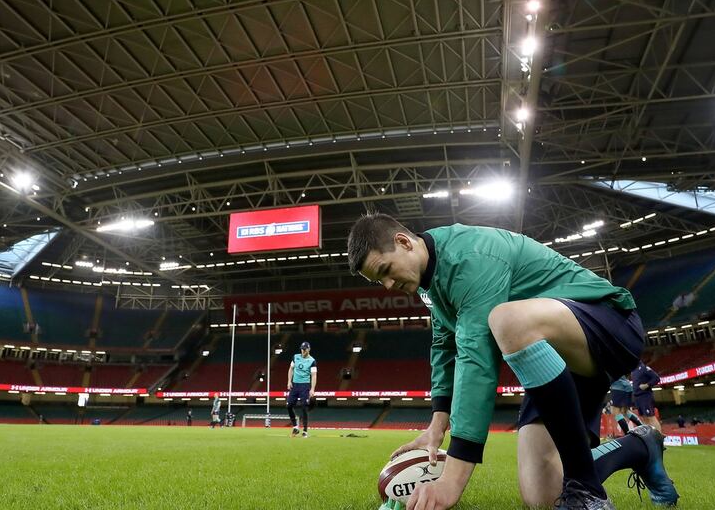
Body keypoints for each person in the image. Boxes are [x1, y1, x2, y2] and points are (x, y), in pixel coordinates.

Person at [347, 215, 678, 510]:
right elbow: (444, 345)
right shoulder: (429, 280)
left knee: (506, 320)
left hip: (607, 324)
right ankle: (640, 447)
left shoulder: (469, 256)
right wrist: (436, 426)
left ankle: (588, 490)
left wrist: (452, 479)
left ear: (404, 242)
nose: (389, 286)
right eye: (380, 282)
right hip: (556, 362)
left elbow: (476, 358)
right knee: (542, 495)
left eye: (386, 271)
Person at [287, 341, 317, 438]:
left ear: (309, 349)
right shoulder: (295, 357)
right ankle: (295, 427)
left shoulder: (312, 361)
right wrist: (289, 381)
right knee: (289, 405)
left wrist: (312, 389)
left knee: (304, 407)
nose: (303, 351)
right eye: (302, 349)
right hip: (295, 385)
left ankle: (305, 431)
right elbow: (291, 369)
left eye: (304, 349)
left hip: (305, 385)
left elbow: (314, 375)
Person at [631, 362, 662, 432]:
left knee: (651, 417)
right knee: (644, 418)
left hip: (645, 396)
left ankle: (659, 439)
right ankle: (649, 436)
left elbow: (656, 378)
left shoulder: (644, 368)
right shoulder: (633, 371)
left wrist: (647, 385)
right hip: (637, 397)